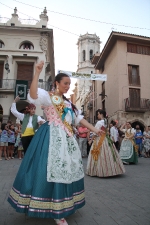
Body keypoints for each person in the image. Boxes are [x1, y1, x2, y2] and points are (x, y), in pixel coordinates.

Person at [8, 61, 101, 225]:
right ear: (56, 83)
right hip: (50, 138)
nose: (67, 86)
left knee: (66, 170)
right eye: (65, 83)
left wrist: (95, 130)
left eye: (69, 84)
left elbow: (79, 119)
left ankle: (63, 206)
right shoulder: (48, 97)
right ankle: (56, 211)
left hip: (67, 139)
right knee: (48, 170)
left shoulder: (69, 103)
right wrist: (37, 73)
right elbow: (33, 94)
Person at [86, 109, 125, 177]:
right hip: (106, 139)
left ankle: (100, 170)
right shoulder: (106, 121)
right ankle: (111, 170)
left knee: (99, 154)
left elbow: (95, 132)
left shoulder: (99, 123)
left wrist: (90, 140)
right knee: (108, 154)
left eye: (98, 114)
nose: (97, 115)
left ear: (101, 114)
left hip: (99, 139)